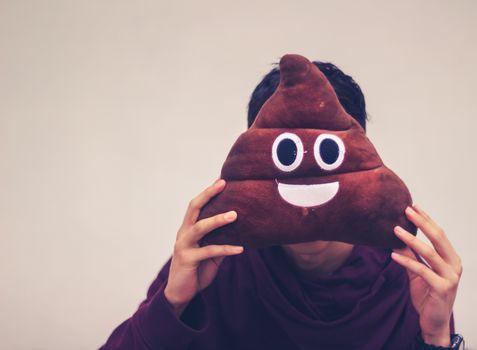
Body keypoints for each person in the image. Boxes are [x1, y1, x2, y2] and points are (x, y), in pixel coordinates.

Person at [99, 61, 463, 350]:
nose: (308, 181)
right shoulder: (213, 265)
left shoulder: (409, 275)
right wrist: (172, 304)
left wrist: (435, 338)